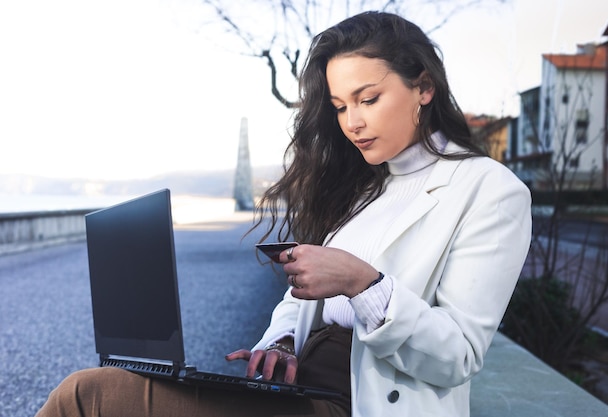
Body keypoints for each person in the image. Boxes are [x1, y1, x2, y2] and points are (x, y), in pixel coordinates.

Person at [36, 10, 531, 417]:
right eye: (339, 107)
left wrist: (363, 282)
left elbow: (458, 354)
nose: (352, 123)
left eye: (369, 99)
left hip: (355, 404)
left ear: (424, 88)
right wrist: (283, 342)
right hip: (298, 392)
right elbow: (305, 304)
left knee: (86, 395)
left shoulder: (489, 190)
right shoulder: (367, 189)